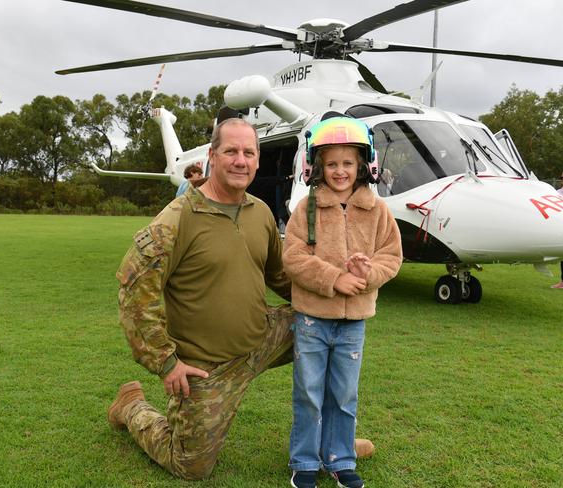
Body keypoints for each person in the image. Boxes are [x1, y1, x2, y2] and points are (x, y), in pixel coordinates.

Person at [108, 118, 373, 481]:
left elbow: (282, 277)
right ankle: (131, 408)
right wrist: (166, 362)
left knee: (331, 328)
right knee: (191, 466)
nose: (240, 160)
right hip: (209, 366)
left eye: (249, 152)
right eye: (230, 151)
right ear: (212, 157)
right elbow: (135, 289)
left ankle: (334, 444)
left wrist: (338, 291)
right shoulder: (179, 217)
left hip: (263, 337)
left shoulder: (259, 212)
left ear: (257, 160)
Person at [282, 117, 403, 488]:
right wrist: (336, 278)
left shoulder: (378, 210)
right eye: (331, 164)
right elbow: (293, 257)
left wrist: (366, 274)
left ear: (364, 166)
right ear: (317, 167)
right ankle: (304, 462)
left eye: (348, 163)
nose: (339, 171)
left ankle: (339, 459)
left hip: (354, 324)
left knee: (344, 395)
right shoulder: (307, 209)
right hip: (312, 320)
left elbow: (392, 256)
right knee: (308, 393)